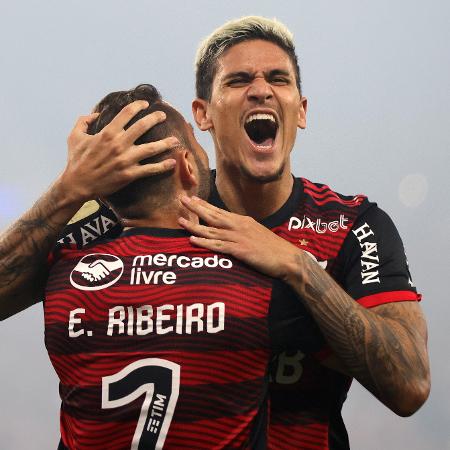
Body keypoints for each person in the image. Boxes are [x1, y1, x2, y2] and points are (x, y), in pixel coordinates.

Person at [0, 15, 430, 450]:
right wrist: (68, 190)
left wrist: (297, 264)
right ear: (202, 114)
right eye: (238, 80)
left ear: (300, 110)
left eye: (279, 79)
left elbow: (410, 385)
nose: (260, 89)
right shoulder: (151, 211)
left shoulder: (353, 224)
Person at [46, 84, 320, 449]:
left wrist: (72, 185)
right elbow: (390, 375)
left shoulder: (62, 280)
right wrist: (297, 262)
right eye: (195, 143)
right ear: (187, 167)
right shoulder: (254, 284)